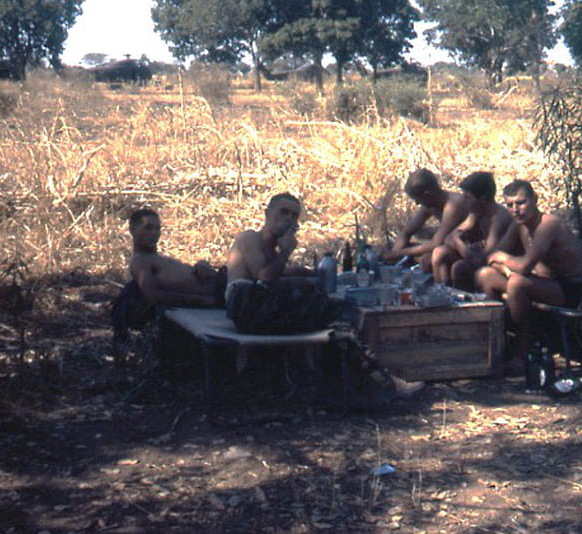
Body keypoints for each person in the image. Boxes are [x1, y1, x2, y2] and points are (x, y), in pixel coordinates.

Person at [226, 192, 423, 400]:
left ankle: (346, 382)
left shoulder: (271, 250)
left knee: (338, 313)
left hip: (261, 308)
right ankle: (376, 381)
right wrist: (286, 252)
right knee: (339, 314)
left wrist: (306, 274)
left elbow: (278, 274)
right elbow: (265, 278)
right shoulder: (250, 238)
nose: (289, 219)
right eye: (283, 212)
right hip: (247, 305)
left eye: (294, 216)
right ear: (267, 213)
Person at [475, 180, 582, 375]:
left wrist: (505, 260)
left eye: (521, 203)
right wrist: (507, 269)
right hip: (539, 283)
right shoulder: (518, 225)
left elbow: (523, 265)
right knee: (485, 275)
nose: (515, 210)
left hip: (570, 289)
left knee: (517, 283)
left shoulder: (548, 224)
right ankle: (498, 343)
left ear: (535, 200)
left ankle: (522, 352)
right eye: (510, 205)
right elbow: (492, 256)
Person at [111, 208, 226, 348]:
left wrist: (201, 264)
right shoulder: (140, 262)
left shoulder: (158, 259)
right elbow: (154, 296)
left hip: (221, 283)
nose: (154, 233)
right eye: (148, 228)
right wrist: (206, 301)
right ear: (132, 230)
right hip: (219, 293)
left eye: (158, 228)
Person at [431, 171, 512, 287]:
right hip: (477, 256)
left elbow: (485, 258)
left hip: (499, 265)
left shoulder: (499, 219)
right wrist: (460, 244)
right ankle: (440, 291)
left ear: (483, 199)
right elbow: (449, 239)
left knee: (459, 268)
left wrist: (460, 245)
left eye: (468, 198)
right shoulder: (476, 213)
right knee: (439, 253)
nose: (464, 201)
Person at [385, 169, 469, 272]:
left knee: (428, 260)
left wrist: (397, 254)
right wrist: (396, 252)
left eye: (418, 199)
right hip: (448, 245)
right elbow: (407, 232)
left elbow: (436, 243)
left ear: (427, 194)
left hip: (466, 248)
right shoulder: (429, 204)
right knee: (407, 249)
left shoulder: (453, 205)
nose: (417, 203)